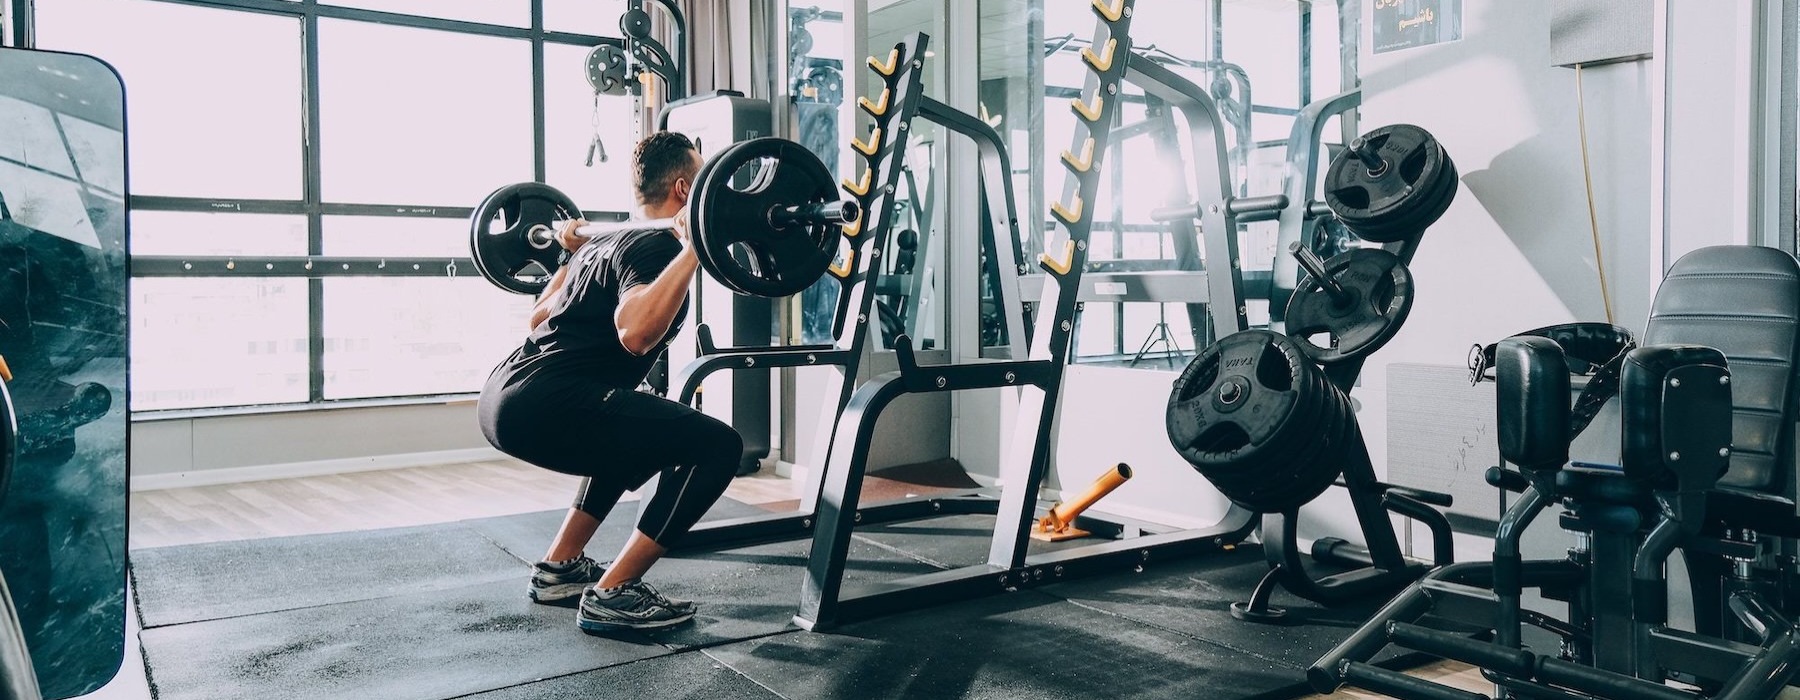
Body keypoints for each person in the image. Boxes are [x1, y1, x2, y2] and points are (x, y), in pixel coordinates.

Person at [478, 131, 742, 634]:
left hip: (505, 396)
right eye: (705, 180)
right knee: (719, 447)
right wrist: (693, 249)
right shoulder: (657, 246)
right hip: (545, 401)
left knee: (629, 423)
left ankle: (561, 568)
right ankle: (614, 592)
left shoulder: (603, 243)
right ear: (686, 191)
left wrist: (567, 255)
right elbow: (636, 334)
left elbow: (538, 319)